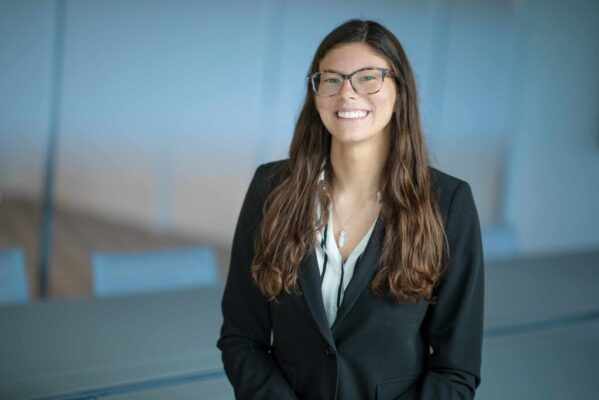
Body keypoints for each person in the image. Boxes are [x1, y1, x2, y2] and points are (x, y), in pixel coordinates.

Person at [217, 19, 484, 400]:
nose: (347, 93)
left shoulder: (449, 203)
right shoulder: (270, 188)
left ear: (400, 90)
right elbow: (242, 339)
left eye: (368, 77)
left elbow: (455, 370)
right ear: (316, 92)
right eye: (331, 79)